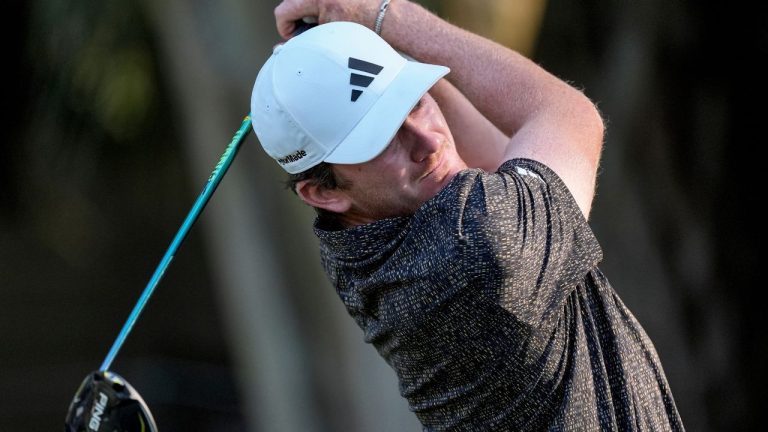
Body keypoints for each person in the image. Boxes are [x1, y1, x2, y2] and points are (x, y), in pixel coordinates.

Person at [251, 1, 684, 430]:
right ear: (323, 192)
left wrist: (365, 48)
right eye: (382, 140)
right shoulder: (473, 250)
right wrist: (384, 16)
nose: (429, 141)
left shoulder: (361, 238)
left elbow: (496, 164)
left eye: (415, 102)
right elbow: (569, 116)